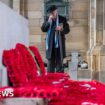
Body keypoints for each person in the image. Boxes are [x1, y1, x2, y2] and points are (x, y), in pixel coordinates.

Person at [41, 5, 70, 73]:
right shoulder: (47, 19)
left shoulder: (62, 19)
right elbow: (43, 29)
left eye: (53, 12)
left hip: (59, 44)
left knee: (59, 62)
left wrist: (61, 29)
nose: (52, 14)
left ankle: (59, 80)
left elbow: (67, 30)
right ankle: (50, 80)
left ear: (56, 11)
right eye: (51, 13)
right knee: (50, 63)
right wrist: (48, 22)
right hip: (50, 45)